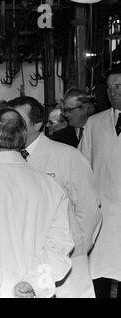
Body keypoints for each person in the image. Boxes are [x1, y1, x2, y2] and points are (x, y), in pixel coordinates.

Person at [0, 107, 74, 298]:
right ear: (23, 139)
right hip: (33, 293)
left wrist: (9, 286)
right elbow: (60, 247)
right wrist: (31, 284)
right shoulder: (51, 186)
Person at [8, 96, 102, 297]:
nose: (12, 128)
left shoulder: (67, 156)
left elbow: (89, 209)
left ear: (38, 124)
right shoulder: (6, 160)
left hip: (66, 261)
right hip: (22, 262)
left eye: (19, 122)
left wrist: (75, 251)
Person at [79, 66, 121, 298]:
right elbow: (82, 166)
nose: (113, 92)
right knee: (99, 274)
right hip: (102, 214)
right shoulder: (94, 123)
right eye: (110, 87)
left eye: (119, 87)